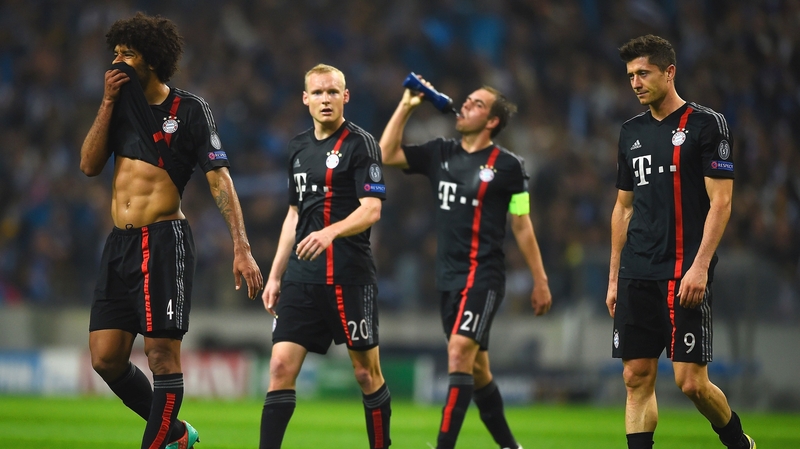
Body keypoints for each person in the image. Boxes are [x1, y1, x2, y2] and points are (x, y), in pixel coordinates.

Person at [80, 13, 263, 449]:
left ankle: (158, 443)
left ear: (152, 60)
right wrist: (106, 104)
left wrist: (242, 246)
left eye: (129, 53)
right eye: (116, 52)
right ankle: (177, 434)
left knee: (161, 355)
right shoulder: (118, 107)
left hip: (163, 241)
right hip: (120, 243)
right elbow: (88, 165)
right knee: (106, 358)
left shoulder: (190, 110)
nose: (117, 61)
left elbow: (220, 179)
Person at [379, 77, 552, 449]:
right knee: (477, 369)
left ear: (492, 121)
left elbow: (521, 225)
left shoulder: (509, 167)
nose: (465, 105)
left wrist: (540, 280)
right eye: (467, 100)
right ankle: (510, 446)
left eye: (476, 104)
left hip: (483, 275)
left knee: (458, 351)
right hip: (447, 278)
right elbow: (387, 153)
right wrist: (407, 105)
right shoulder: (441, 152)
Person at [606, 34, 755, 449]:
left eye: (644, 73)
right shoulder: (629, 132)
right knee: (635, 376)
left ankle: (739, 443)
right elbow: (623, 208)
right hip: (637, 271)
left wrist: (701, 266)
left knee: (691, 383)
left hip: (683, 271)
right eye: (631, 75)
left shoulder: (707, 124)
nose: (635, 82)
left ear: (669, 72)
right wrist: (614, 277)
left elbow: (721, 203)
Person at [259, 64, 391, 449]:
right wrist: (275, 274)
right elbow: (294, 214)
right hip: (302, 277)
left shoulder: (362, 144)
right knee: (281, 366)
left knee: (366, 375)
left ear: (345, 97)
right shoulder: (298, 147)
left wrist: (330, 232)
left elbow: (372, 208)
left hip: (349, 274)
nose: (325, 99)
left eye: (333, 92)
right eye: (317, 93)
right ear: (305, 99)